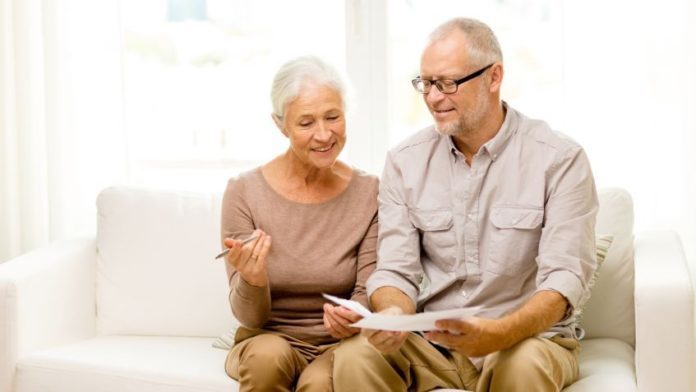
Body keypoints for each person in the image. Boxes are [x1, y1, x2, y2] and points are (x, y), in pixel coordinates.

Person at [332, 17, 598, 392]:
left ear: (493, 77)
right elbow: (395, 271)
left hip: (522, 341)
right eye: (426, 83)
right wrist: (393, 315)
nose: (433, 97)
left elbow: (564, 278)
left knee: (523, 365)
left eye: (447, 83)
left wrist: (500, 333)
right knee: (354, 357)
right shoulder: (404, 162)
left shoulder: (559, 159)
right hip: (433, 344)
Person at [220, 55, 378, 392]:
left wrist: (354, 315)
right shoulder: (243, 191)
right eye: (306, 123)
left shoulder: (369, 192)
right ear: (281, 125)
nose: (323, 134)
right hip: (266, 337)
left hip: (338, 345)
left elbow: (368, 291)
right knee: (267, 359)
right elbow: (249, 317)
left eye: (333, 117)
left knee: (320, 384)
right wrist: (252, 278)